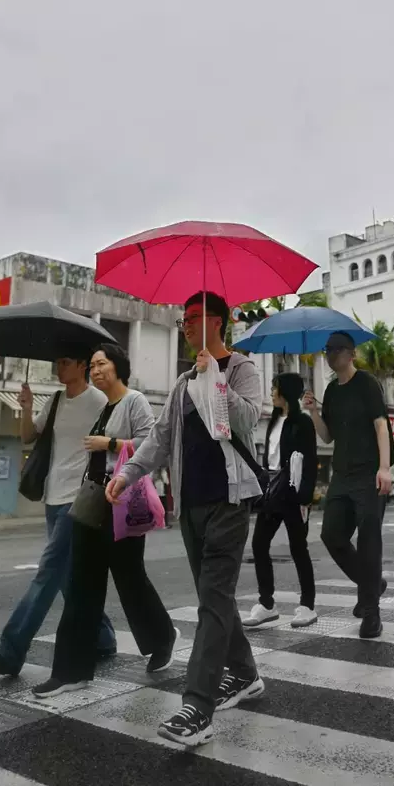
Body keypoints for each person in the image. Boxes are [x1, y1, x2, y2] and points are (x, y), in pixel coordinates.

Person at [106, 292, 264, 748]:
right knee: (214, 596)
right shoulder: (181, 382)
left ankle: (197, 706)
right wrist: (130, 473)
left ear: (219, 321)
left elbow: (247, 419)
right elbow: (159, 438)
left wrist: (216, 377)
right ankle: (247, 673)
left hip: (230, 501)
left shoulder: (240, 369)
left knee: (212, 600)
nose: (186, 325)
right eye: (184, 318)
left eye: (193, 318)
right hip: (191, 503)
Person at [33, 344, 177, 698]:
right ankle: (72, 671)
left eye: (102, 364)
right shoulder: (104, 406)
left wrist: (109, 442)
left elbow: (150, 444)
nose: (96, 370)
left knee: (130, 580)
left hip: (122, 501)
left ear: (118, 367)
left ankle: (162, 637)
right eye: (93, 365)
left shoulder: (135, 401)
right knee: (81, 585)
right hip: (92, 501)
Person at [0, 352, 116, 678]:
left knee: (48, 571)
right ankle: (104, 636)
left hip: (79, 498)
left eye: (66, 361)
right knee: (68, 579)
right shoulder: (54, 400)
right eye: (59, 361)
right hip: (52, 497)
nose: (59, 366)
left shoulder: (99, 400)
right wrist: (25, 407)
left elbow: (114, 445)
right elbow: (28, 436)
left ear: (83, 365)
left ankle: (11, 651)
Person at [303, 331, 392, 640]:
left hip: (369, 473)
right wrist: (313, 412)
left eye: (336, 350)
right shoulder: (332, 390)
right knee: (332, 535)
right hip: (341, 476)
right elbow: (327, 437)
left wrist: (384, 468)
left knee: (369, 541)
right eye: (327, 350)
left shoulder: (367, 384)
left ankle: (371, 612)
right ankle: (373, 586)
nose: (330, 355)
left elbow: (381, 424)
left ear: (351, 354)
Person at [243, 373, 318, 628]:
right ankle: (266, 604)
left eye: (274, 387)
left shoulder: (303, 423)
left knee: (299, 549)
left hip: (294, 493)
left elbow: (309, 461)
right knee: (259, 544)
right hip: (272, 491)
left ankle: (307, 606)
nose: (271, 392)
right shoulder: (274, 420)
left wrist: (305, 498)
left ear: (284, 391)